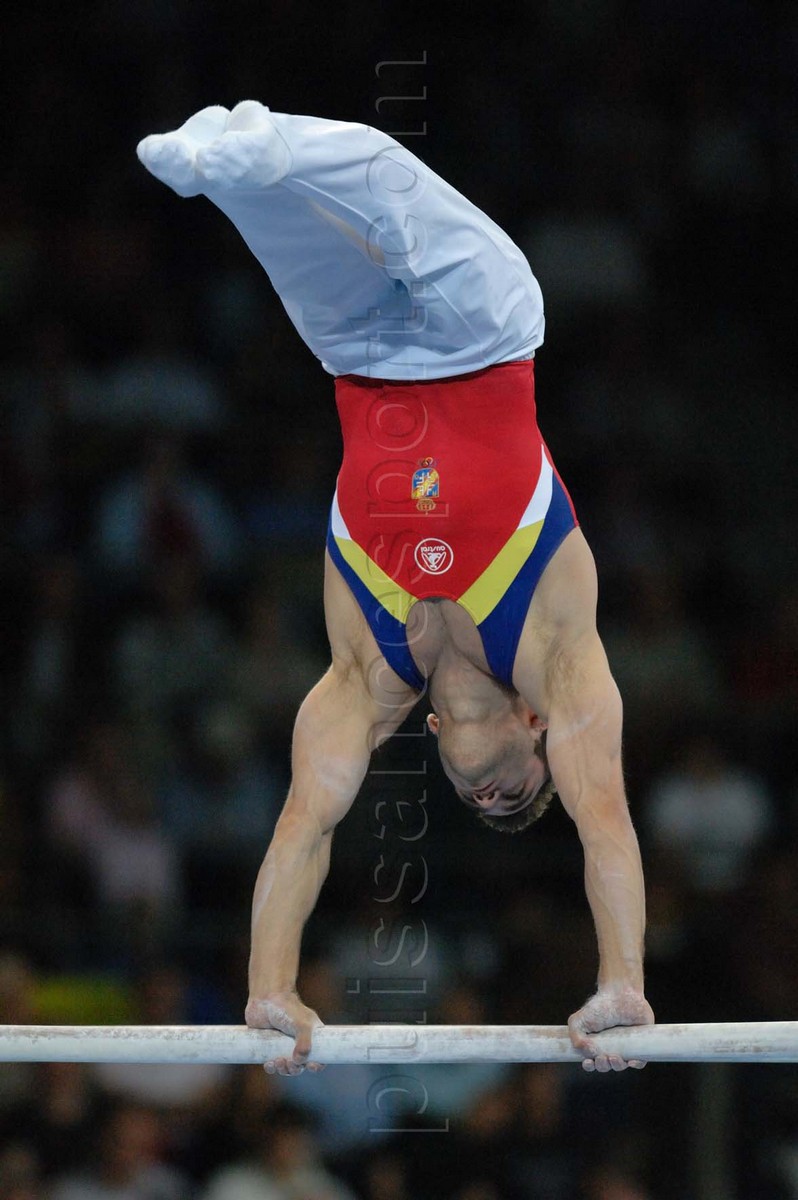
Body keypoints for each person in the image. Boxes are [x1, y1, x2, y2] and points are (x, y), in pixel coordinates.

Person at [137, 100, 654, 1074]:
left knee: (268, 210)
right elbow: (606, 819)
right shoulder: (559, 653)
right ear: (537, 729)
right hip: (487, 330)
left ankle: (224, 164)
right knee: (378, 174)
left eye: (482, 808)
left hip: (362, 360)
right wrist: (622, 980)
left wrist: (270, 987)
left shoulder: (363, 675)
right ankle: (264, 133)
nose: (494, 800)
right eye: (520, 794)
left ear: (440, 745)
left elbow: (305, 824)